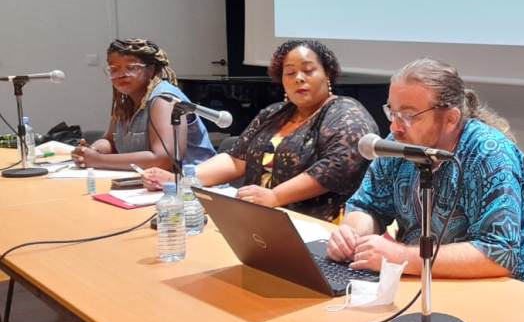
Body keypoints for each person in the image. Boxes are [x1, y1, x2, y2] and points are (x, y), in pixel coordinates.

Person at [326, 58, 524, 281]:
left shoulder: (491, 154)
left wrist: (400, 256)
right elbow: (368, 205)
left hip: (488, 288)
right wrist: (351, 235)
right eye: (392, 113)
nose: (395, 127)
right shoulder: (399, 145)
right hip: (416, 278)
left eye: (408, 116)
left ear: (451, 119)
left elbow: (500, 255)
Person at [141, 40, 377, 221]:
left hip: (316, 223)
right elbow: (236, 159)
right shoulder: (274, 113)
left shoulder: (348, 115)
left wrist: (275, 196)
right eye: (290, 72)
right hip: (259, 218)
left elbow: (333, 170)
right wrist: (183, 179)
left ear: (328, 75)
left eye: (308, 70)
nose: (299, 78)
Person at [71, 39, 215, 170]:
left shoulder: (164, 99)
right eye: (114, 69)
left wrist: (99, 160)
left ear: (151, 70)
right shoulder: (124, 101)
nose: (122, 74)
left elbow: (165, 160)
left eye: (131, 67)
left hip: (192, 185)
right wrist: (92, 151)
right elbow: (110, 141)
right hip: (148, 182)